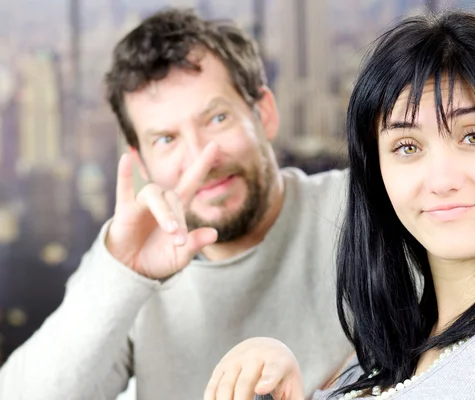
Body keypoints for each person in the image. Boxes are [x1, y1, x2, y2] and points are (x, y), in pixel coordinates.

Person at [204, 9, 475, 400]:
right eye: (407, 146)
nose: (443, 180)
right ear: (378, 174)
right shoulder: (375, 362)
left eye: (474, 136)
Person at [0, 7, 353, 400]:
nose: (202, 159)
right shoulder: (122, 271)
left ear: (264, 113)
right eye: (166, 140)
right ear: (142, 161)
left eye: (217, 118)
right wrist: (122, 273)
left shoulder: (362, 209)